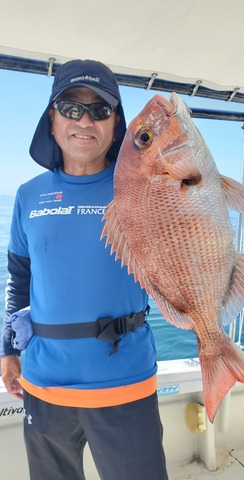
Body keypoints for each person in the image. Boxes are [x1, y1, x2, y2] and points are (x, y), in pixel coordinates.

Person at [0, 59, 168, 480]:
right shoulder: (28, 195)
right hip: (43, 383)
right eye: (72, 107)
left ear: (116, 124)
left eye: (100, 109)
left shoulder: (143, 186)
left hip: (125, 378)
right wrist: (6, 349)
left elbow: (183, 235)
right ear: (52, 119)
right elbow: (18, 278)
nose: (85, 120)